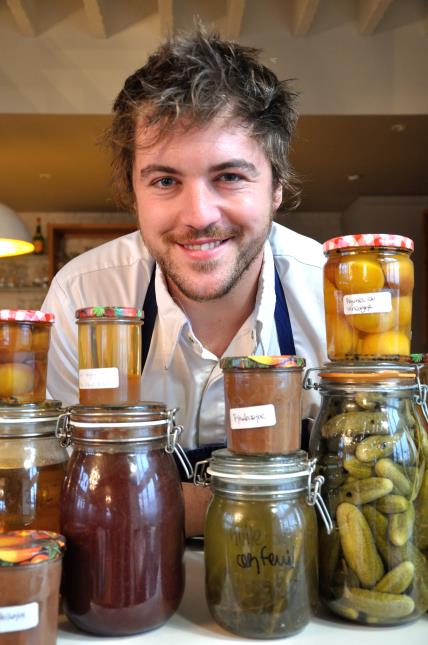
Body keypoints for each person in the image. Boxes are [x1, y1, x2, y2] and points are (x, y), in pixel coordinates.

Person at [42, 28, 327, 535]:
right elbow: (57, 483)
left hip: (289, 588)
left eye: (230, 177)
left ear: (277, 186)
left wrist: (153, 499)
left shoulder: (334, 295)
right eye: (165, 181)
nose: (197, 217)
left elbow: (377, 479)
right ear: (134, 190)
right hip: (126, 592)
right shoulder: (83, 295)